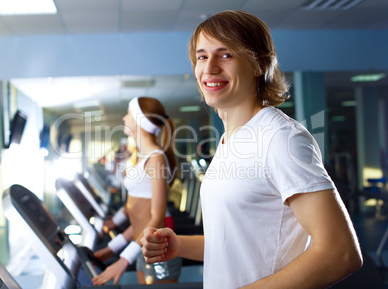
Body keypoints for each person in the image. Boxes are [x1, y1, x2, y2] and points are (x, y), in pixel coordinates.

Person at [140, 10, 362, 289]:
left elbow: (340, 253)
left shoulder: (281, 138)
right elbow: (237, 243)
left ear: (259, 65)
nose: (209, 68)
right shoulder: (229, 140)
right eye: (202, 56)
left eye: (225, 55)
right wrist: (179, 244)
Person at [92, 96, 182, 285]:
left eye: (128, 113)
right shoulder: (144, 157)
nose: (124, 118)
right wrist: (111, 248)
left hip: (159, 246)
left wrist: (124, 259)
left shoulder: (156, 159)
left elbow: (156, 219)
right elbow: (140, 219)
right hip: (144, 241)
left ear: (139, 120)